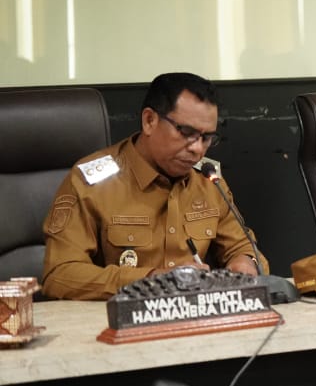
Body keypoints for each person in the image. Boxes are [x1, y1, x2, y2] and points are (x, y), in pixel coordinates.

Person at [41, 72, 267, 300]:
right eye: (187, 133)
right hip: (117, 322)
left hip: (194, 320)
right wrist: (153, 281)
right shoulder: (92, 182)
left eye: (207, 137)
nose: (197, 149)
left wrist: (246, 262)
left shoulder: (208, 180)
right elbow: (60, 275)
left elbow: (243, 246)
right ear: (149, 121)